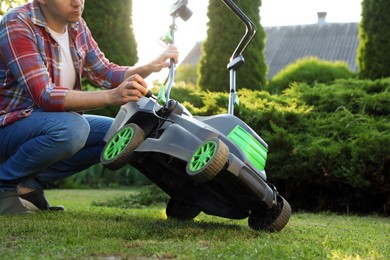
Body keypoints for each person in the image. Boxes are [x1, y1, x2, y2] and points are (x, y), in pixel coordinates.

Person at [0, 0, 179, 214]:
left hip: (46, 124)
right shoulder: (17, 22)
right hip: (9, 126)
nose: (78, 2)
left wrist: (149, 66)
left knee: (119, 134)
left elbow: (105, 72)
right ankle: (4, 186)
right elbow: (44, 95)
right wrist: (112, 97)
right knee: (73, 129)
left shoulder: (77, 26)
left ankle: (29, 187)